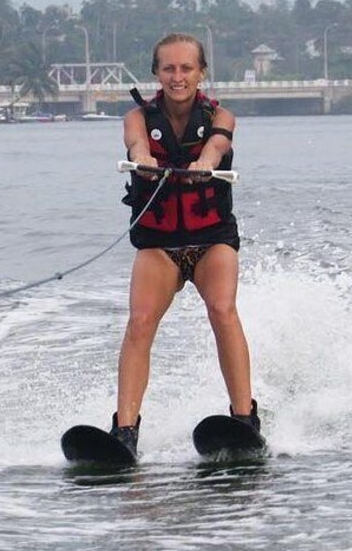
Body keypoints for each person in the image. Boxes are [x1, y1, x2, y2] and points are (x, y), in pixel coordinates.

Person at [110, 33, 260, 456]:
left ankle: (244, 419)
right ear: (157, 72)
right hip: (160, 243)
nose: (178, 77)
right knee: (140, 323)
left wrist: (205, 165)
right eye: (169, 68)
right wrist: (144, 162)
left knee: (222, 309)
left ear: (201, 73)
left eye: (186, 68)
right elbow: (137, 144)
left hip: (211, 239)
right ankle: (124, 433)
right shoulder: (137, 118)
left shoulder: (222, 115)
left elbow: (218, 144)